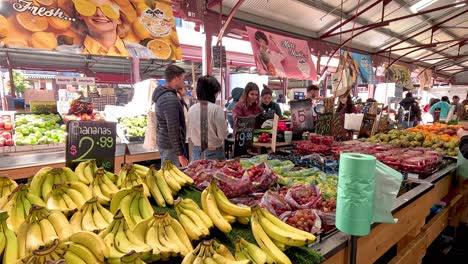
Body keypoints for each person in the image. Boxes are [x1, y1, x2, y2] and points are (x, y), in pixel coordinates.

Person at [57, 0, 154, 58]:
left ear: (120, 18)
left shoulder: (144, 53)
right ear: (80, 15)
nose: (99, 13)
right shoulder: (64, 53)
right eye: (90, 8)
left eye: (108, 9)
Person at [152, 65, 188, 167]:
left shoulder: (167, 95)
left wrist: (181, 97)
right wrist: (180, 155)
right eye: (182, 79)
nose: (183, 82)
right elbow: (173, 128)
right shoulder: (169, 99)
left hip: (167, 143)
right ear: (176, 78)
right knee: (171, 177)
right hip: (170, 146)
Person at [187, 76, 227, 161]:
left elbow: (189, 134)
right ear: (212, 92)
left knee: (197, 174)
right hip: (214, 153)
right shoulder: (216, 109)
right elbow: (223, 135)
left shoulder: (191, 109)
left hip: (196, 152)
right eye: (217, 92)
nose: (217, 94)